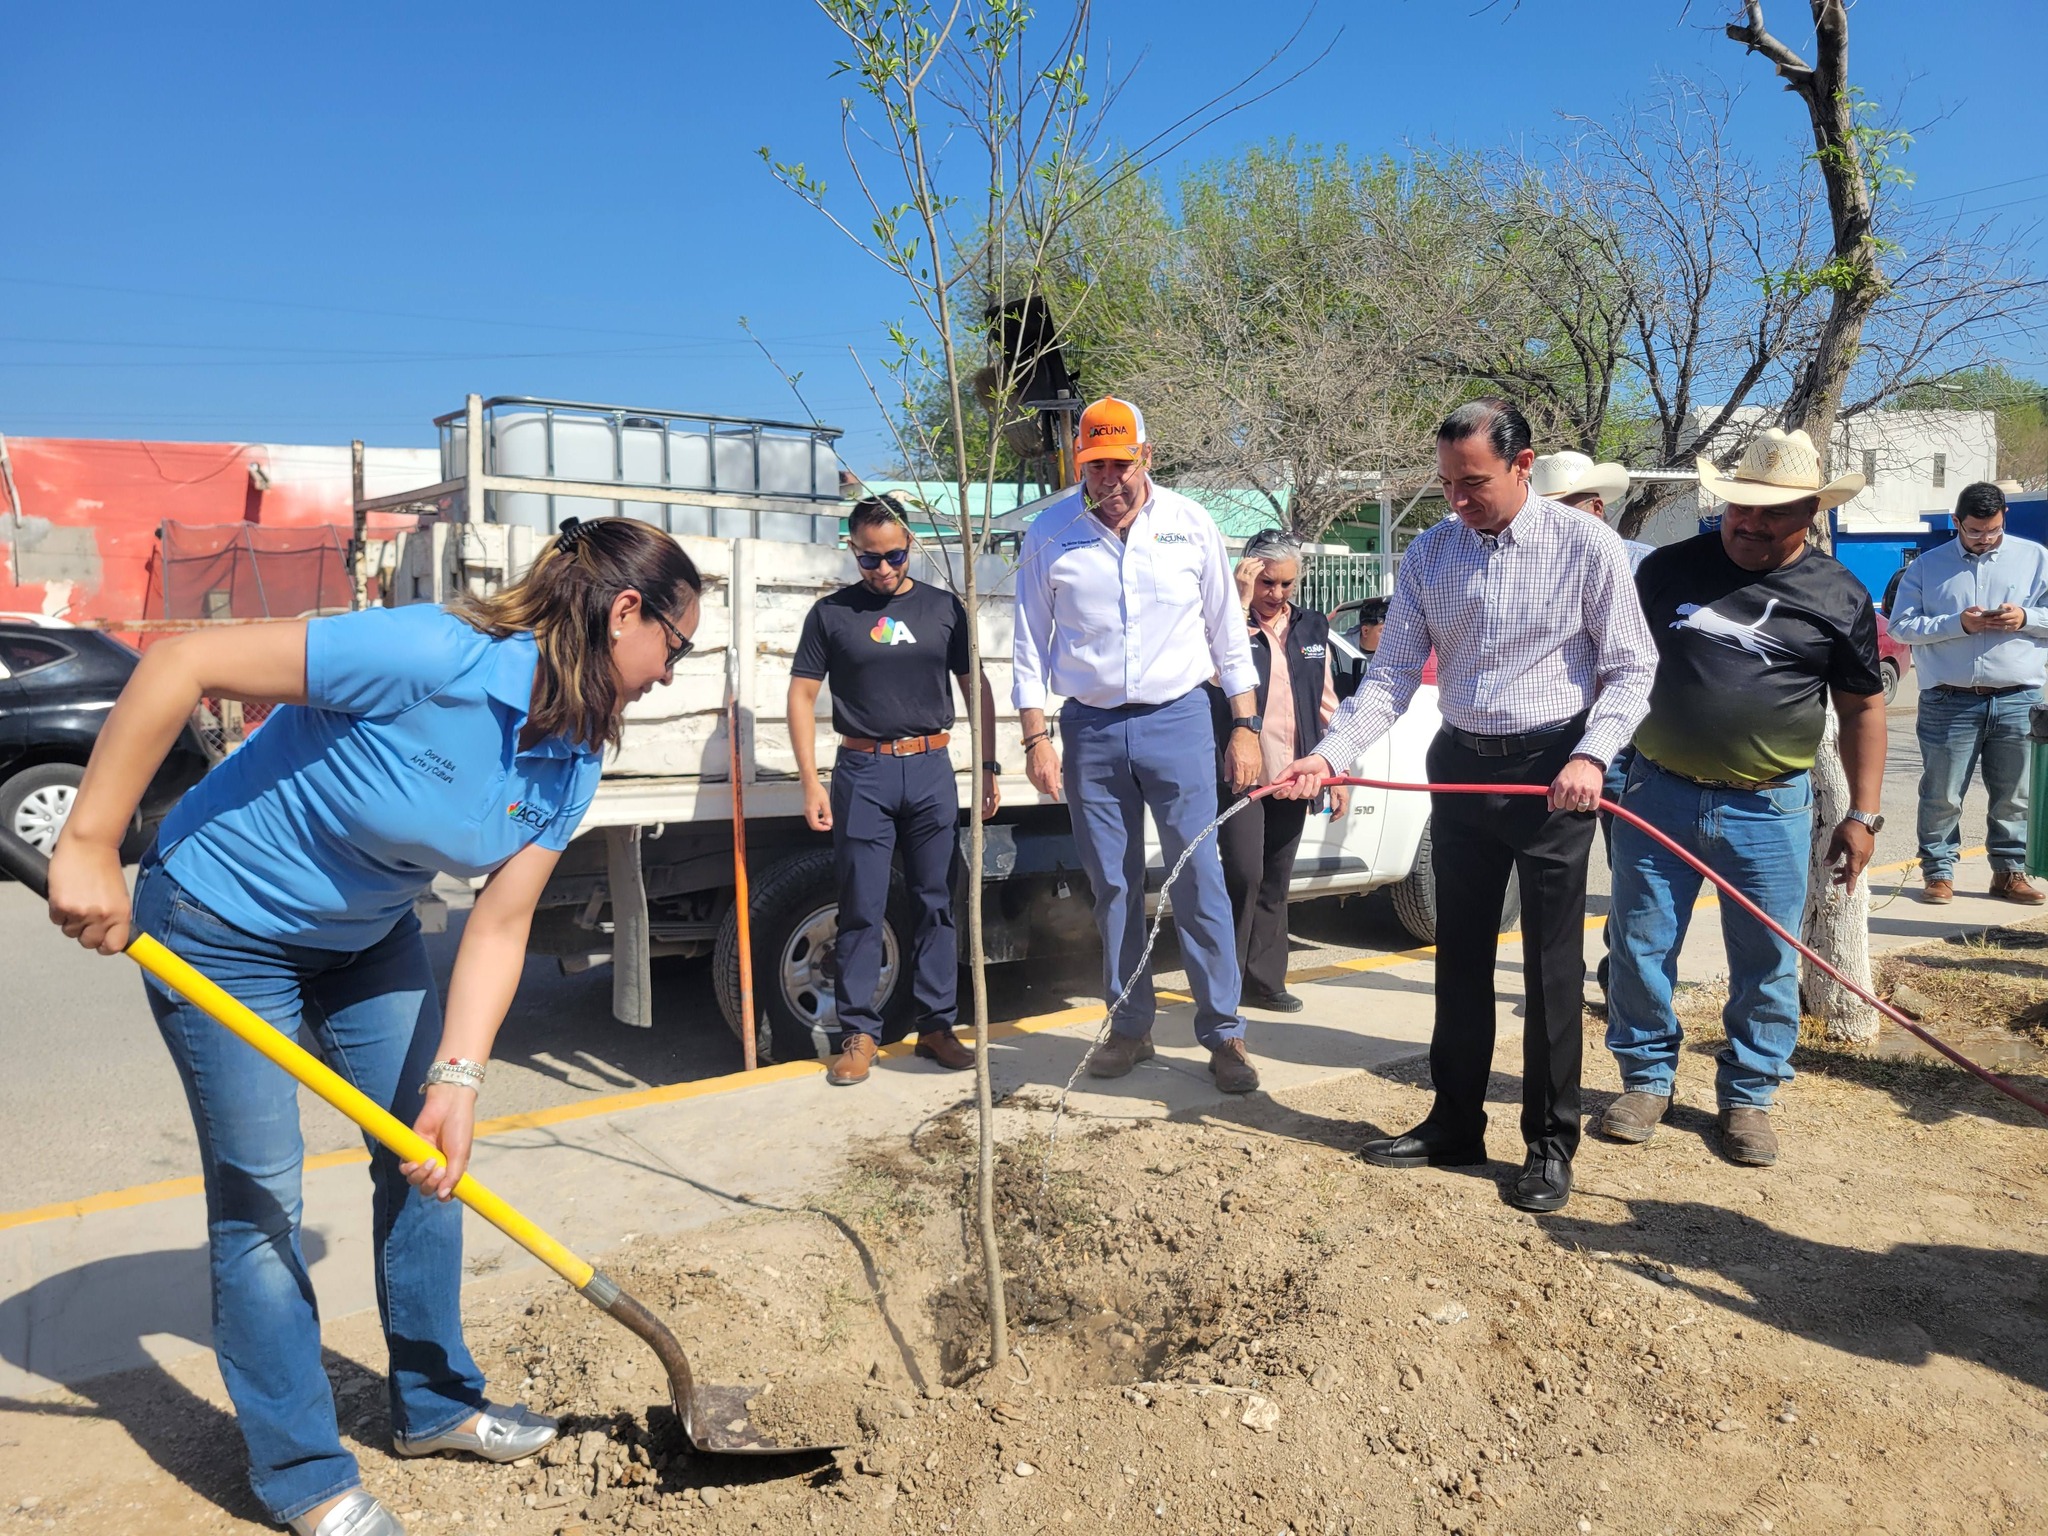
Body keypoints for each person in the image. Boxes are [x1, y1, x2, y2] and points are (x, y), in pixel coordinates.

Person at [44, 517, 702, 1536]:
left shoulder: (569, 758)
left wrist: (460, 1079)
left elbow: (499, 918)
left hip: (364, 937)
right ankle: (306, 1477)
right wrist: (89, 840)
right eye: (677, 642)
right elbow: (183, 664)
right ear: (627, 613)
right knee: (261, 1200)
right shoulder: (432, 653)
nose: (673, 668)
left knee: (429, 1159)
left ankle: (436, 1406)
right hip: (219, 924)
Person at [1272, 399, 1656, 1214]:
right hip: (1461, 768)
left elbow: (1631, 668)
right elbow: (1389, 678)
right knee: (1459, 958)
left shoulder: (1585, 546)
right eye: (1446, 482)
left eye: (1472, 482)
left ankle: (1551, 1145)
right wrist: (1328, 755)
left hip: (1556, 774)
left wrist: (1592, 754)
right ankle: (1455, 1121)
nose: (1456, 500)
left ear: (1523, 466)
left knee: (1551, 972)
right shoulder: (1431, 554)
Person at [1599, 428, 1885, 1168]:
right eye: (1739, 509)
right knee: (1637, 945)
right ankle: (1646, 1079)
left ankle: (1749, 1095)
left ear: (1810, 514)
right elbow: (1617, 665)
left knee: (1765, 957)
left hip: (1771, 808)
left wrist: (1861, 813)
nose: (1750, 524)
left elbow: (1862, 708)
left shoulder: (1839, 594)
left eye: (1773, 513)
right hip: (1656, 793)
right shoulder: (1665, 570)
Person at [1012, 395, 1264, 1094]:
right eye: (1096, 467)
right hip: (1090, 728)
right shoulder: (1050, 533)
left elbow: (1226, 633)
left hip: (1181, 718)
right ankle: (1128, 1026)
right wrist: (1036, 736)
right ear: (1079, 464)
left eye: (1121, 464)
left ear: (1146, 457)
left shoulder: (1190, 524)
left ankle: (1225, 1034)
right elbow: (1028, 645)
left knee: (1198, 876)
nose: (1109, 481)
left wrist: (1243, 726)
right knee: (1114, 885)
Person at [788, 495, 1000, 1086]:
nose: (882, 569)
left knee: (938, 900)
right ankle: (858, 1032)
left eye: (895, 556)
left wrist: (987, 764)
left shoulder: (943, 609)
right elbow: (802, 697)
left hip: (931, 768)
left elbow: (972, 684)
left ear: (911, 547)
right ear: (852, 551)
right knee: (862, 905)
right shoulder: (830, 615)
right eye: (869, 559)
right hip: (863, 772)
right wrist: (810, 781)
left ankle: (936, 1027)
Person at [1888, 480, 2048, 905]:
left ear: (2003, 519)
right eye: (1974, 531)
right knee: (1942, 793)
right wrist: (1958, 623)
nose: (1984, 539)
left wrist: (2026, 617)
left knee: (2015, 793)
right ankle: (1938, 873)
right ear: (1956, 522)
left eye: (1992, 530)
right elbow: (1900, 626)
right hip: (1948, 699)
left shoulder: (2035, 559)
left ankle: (2009, 872)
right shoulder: (1926, 566)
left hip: (2018, 698)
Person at [1530, 449, 1653, 996]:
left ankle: (1618, 978)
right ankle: (1558, 981)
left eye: (1561, 507)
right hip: (1557, 740)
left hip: (1631, 746)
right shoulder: (1532, 565)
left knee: (1632, 871)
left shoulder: (1647, 568)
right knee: (1554, 874)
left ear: (1596, 508)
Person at [1211, 529, 1347, 1013]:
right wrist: (1236, 605)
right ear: (1249, 573)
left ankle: (1265, 981)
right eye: (1267, 583)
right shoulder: (1224, 623)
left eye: (1287, 584)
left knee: (1274, 879)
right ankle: (1222, 985)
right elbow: (1208, 674)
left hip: (1295, 772)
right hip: (1242, 775)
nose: (1277, 595)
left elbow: (1326, 698)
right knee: (1243, 875)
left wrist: (1339, 768)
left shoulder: (1311, 627)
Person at [1329, 595, 1388, 702]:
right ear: (1365, 631)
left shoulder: (1393, 652)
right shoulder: (1340, 648)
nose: (1389, 635)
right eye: (1382, 631)